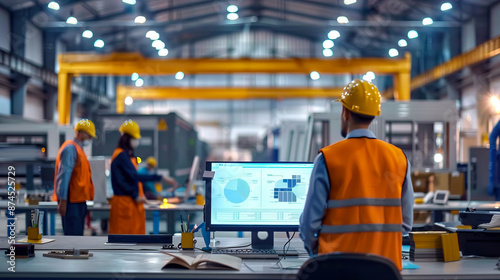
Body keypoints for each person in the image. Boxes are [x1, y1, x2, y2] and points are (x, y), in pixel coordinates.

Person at [299, 79, 414, 271]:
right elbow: (405, 224)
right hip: (385, 270)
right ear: (373, 116)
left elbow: (309, 226)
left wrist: (315, 256)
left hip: (334, 269)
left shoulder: (327, 158)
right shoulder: (399, 158)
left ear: (345, 112)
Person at [109, 120, 168, 234]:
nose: (136, 141)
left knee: (133, 239)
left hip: (129, 203)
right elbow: (125, 180)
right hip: (124, 203)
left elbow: (130, 178)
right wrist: (135, 194)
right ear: (127, 138)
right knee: (124, 241)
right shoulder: (121, 156)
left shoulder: (126, 155)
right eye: (134, 138)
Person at [53, 119, 97, 236]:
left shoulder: (79, 150)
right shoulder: (70, 149)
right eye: (89, 135)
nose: (90, 139)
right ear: (81, 132)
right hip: (71, 202)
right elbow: (64, 175)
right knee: (73, 239)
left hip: (79, 201)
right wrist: (63, 201)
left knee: (78, 237)